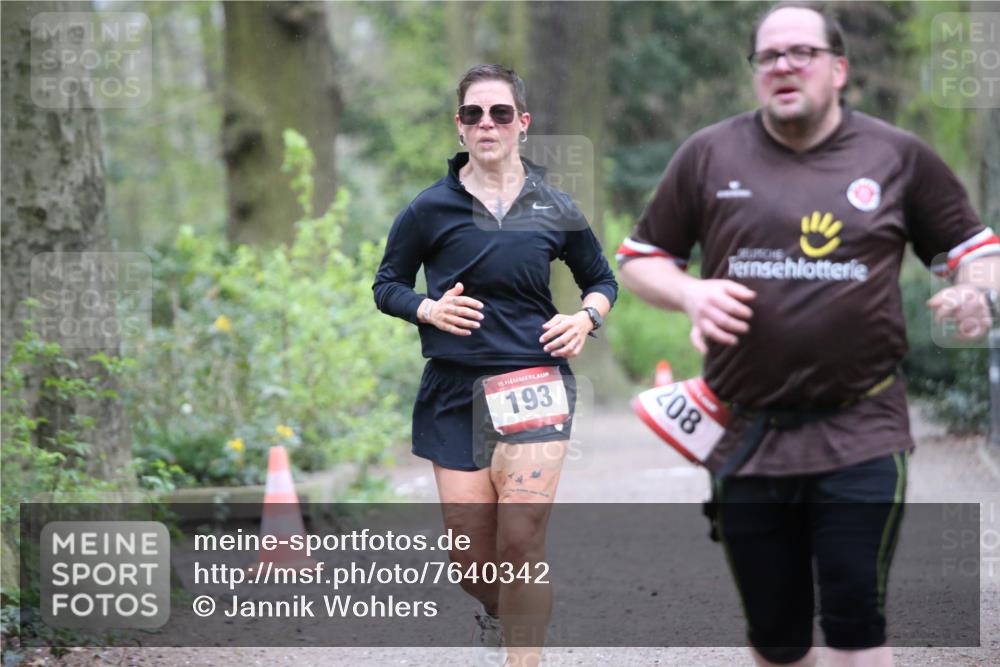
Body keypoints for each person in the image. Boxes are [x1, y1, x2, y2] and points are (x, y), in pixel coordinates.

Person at [617, 3, 999, 667]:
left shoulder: (897, 156)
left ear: (839, 69)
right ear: (756, 73)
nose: (784, 65)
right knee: (777, 636)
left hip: (861, 427)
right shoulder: (709, 154)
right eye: (769, 56)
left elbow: (975, 248)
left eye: (802, 52)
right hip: (746, 433)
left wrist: (977, 290)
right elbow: (640, 258)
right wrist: (690, 291)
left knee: (856, 621)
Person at [373, 64, 616, 667]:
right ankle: (503, 612)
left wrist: (586, 318)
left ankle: (523, 658)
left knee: (521, 536)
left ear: (522, 124)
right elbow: (386, 285)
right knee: (471, 562)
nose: (487, 124)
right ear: (459, 127)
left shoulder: (555, 206)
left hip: (534, 382)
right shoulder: (429, 209)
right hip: (453, 392)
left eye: (500, 113)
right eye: (474, 114)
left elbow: (601, 280)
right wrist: (426, 309)